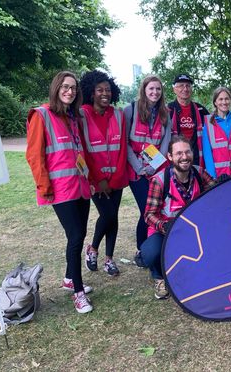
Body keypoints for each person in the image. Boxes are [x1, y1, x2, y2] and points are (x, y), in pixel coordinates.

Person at [26, 71, 93, 314]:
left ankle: (69, 278)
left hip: (80, 187)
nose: (69, 91)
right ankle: (77, 292)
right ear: (56, 88)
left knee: (80, 233)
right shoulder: (41, 115)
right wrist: (45, 188)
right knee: (76, 237)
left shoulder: (74, 117)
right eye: (65, 87)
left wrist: (89, 179)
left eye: (73, 88)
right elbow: (34, 155)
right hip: (60, 190)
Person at [142, 135, 216, 299]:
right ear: (170, 157)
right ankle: (159, 277)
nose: (184, 157)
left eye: (187, 152)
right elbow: (148, 215)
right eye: (179, 153)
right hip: (166, 230)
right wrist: (163, 226)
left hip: (193, 229)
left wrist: (224, 183)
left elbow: (217, 193)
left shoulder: (199, 172)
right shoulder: (160, 180)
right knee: (151, 252)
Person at [79, 70, 128, 277]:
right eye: (100, 90)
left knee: (113, 217)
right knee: (107, 215)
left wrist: (115, 179)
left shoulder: (118, 114)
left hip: (116, 178)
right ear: (91, 92)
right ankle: (93, 248)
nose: (104, 93)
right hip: (95, 180)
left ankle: (109, 258)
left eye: (108, 90)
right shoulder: (82, 115)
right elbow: (84, 150)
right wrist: (99, 180)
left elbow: (122, 148)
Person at [124, 75, 172, 267]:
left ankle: (148, 249)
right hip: (135, 171)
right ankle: (142, 250)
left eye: (158, 89)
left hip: (157, 170)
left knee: (154, 209)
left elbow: (165, 143)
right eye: (151, 88)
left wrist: (153, 166)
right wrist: (139, 166)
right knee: (146, 209)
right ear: (144, 89)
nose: (155, 92)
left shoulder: (165, 113)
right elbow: (125, 143)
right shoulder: (130, 110)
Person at [202, 87, 231, 178]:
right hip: (218, 177)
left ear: (230, 101)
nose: (224, 102)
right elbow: (207, 154)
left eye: (226, 99)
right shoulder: (208, 123)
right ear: (215, 102)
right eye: (221, 99)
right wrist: (213, 178)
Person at [168, 74, 209, 167]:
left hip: (197, 157)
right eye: (181, 85)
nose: (185, 89)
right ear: (174, 89)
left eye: (188, 86)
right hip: (176, 158)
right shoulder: (167, 110)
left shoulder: (200, 110)